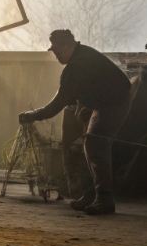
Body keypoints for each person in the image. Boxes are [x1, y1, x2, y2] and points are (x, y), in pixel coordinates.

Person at [19, 29, 131, 215]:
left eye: (55, 52)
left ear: (65, 47)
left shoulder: (76, 67)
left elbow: (56, 106)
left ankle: (104, 199)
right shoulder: (83, 54)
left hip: (115, 101)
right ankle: (90, 193)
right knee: (88, 145)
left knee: (95, 143)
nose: (55, 56)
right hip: (106, 100)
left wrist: (32, 115)